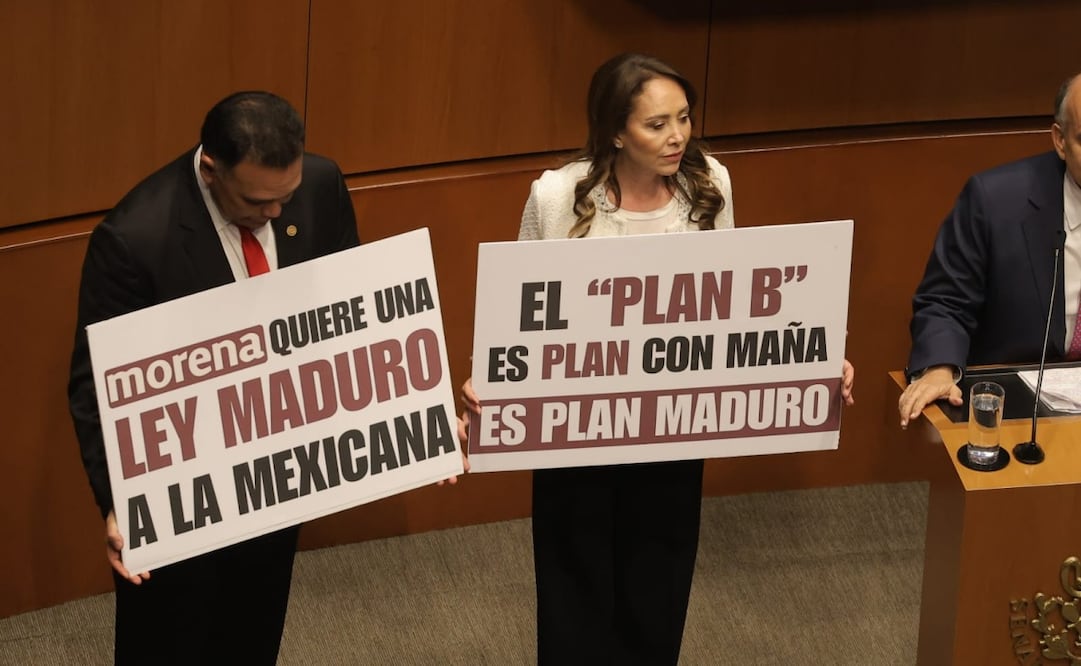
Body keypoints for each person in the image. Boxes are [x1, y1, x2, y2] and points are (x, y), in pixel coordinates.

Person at [460, 53, 856, 665]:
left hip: (671, 431)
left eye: (684, 118)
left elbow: (737, 308)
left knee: (657, 593)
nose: (677, 136)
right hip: (576, 436)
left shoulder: (710, 185)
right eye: (657, 125)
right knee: (574, 597)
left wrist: (813, 359)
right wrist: (489, 376)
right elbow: (521, 307)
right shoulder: (558, 195)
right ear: (615, 131)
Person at [68, 91, 360, 664]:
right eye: (256, 202)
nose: (276, 214)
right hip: (185, 493)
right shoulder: (135, 238)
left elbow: (350, 308)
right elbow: (94, 389)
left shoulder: (321, 184)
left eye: (287, 197)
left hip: (276, 475)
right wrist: (120, 500)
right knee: (172, 641)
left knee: (252, 631)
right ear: (210, 168)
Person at [898, 73, 1081, 427]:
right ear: (1060, 140)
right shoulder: (996, 201)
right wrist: (939, 367)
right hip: (1017, 404)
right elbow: (945, 302)